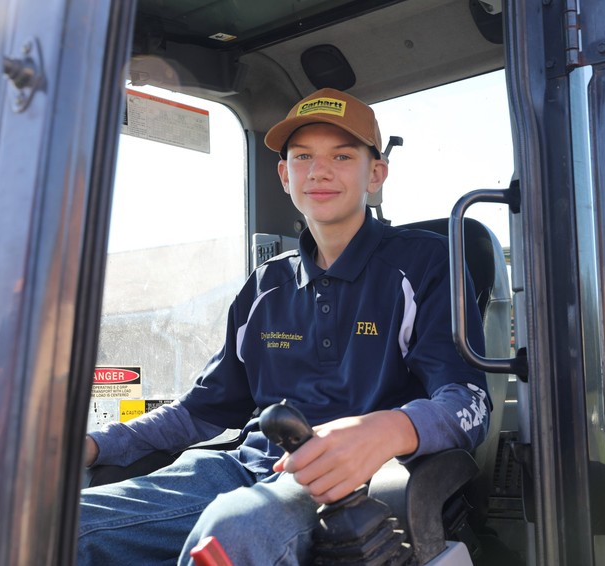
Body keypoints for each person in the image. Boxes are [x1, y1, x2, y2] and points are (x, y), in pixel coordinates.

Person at [78, 87, 490, 565]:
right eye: (302, 157)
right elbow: (200, 412)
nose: (319, 170)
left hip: (353, 483)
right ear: (284, 174)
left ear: (375, 173)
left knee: (231, 532)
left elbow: (467, 402)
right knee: (62, 519)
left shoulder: (424, 263)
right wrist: (94, 444)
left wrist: (386, 431)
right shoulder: (266, 285)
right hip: (243, 470)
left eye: (341, 155)